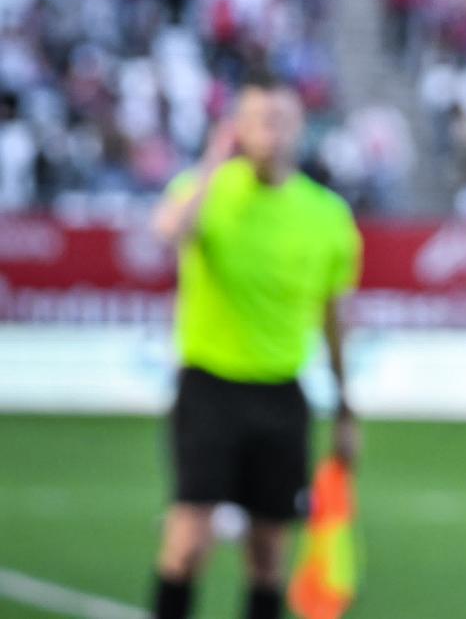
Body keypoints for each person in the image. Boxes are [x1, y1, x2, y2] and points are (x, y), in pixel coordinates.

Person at [148, 76, 362, 619]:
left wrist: (344, 407)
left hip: (282, 395)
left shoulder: (327, 216)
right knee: (189, 542)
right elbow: (169, 231)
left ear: (300, 128)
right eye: (258, 120)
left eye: (281, 119)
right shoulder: (206, 191)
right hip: (208, 386)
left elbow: (334, 320)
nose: (271, 132)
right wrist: (212, 164)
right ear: (237, 129)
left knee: (269, 555)